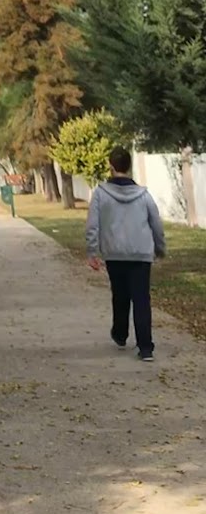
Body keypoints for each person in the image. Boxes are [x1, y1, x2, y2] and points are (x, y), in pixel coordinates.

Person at [85, 146, 166, 362]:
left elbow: (92, 225)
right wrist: (160, 247)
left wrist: (92, 252)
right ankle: (146, 347)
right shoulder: (144, 195)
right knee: (141, 299)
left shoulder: (100, 194)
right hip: (141, 254)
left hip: (114, 254)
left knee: (120, 295)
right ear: (129, 167)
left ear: (111, 166)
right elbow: (156, 223)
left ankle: (120, 334)